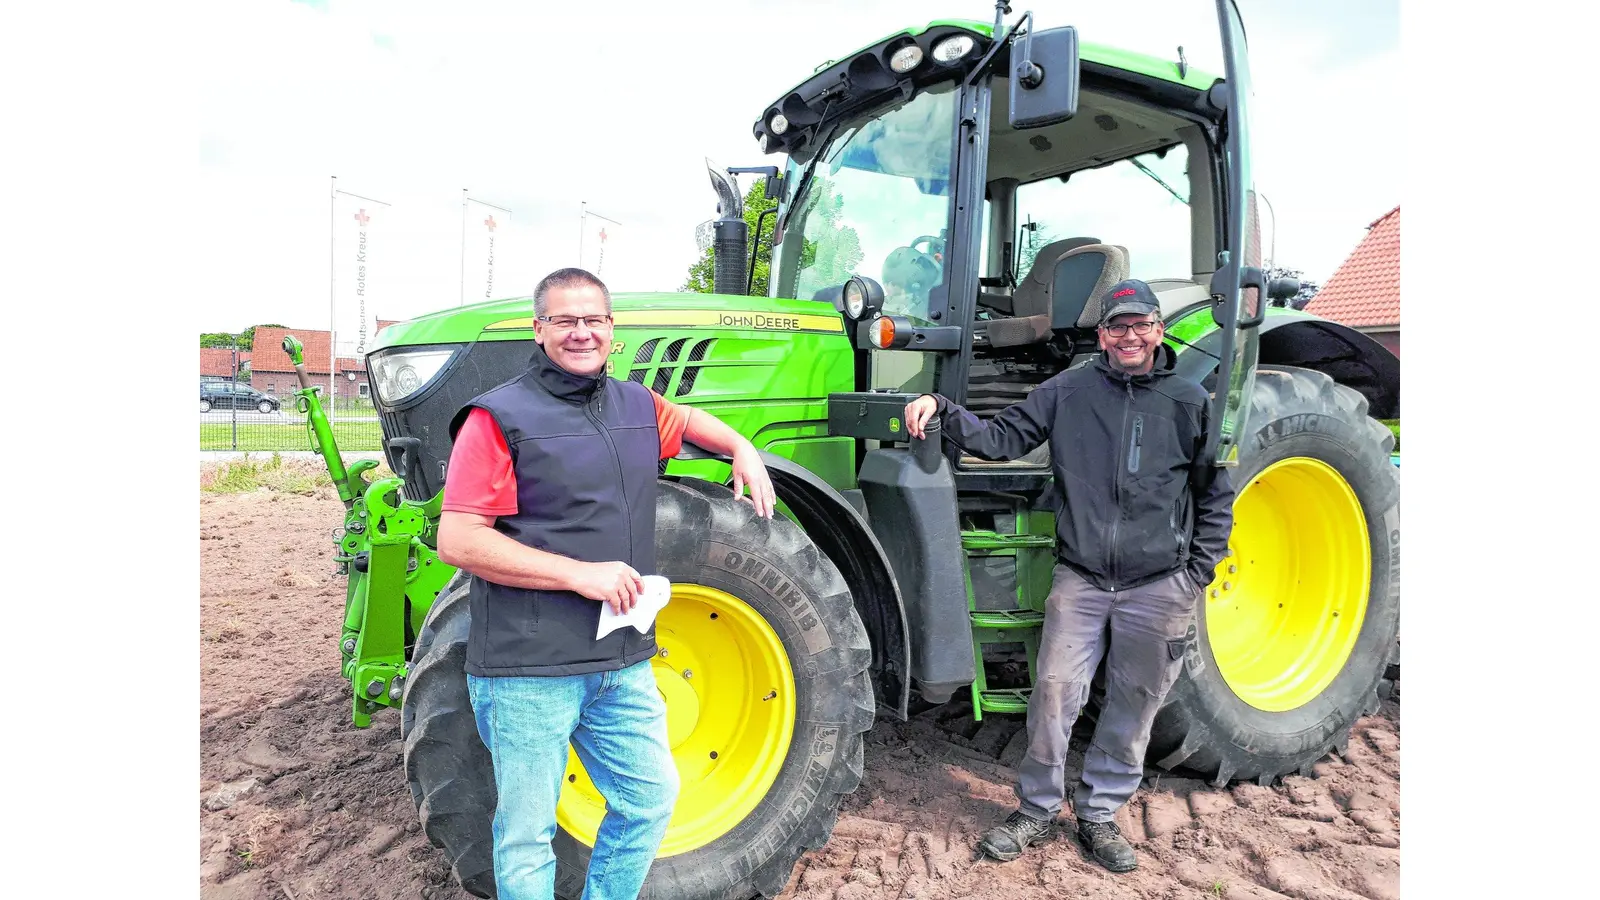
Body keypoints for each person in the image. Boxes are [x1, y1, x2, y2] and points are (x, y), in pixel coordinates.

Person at [436, 267, 776, 900]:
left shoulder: (635, 405)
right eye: (564, 320)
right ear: (539, 330)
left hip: (620, 662)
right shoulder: (497, 417)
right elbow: (458, 540)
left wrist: (742, 448)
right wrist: (577, 575)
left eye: (594, 319)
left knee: (649, 802)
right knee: (527, 835)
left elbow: (692, 419)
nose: (581, 332)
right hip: (528, 669)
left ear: (612, 330)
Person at [903, 278, 1235, 873]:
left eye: (1141, 325)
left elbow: (1214, 493)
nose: (1129, 336)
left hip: (1159, 585)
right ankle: (1036, 808)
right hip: (1081, 579)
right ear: (1102, 335)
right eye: (1117, 326)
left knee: (1136, 703)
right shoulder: (1069, 389)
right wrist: (943, 409)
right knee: (1054, 693)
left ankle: (1100, 813)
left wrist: (1196, 574)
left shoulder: (1189, 401)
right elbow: (1002, 438)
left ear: (1159, 330)